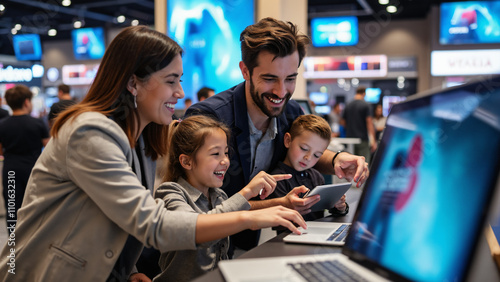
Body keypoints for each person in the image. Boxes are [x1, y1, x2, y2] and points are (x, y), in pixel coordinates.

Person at [0, 26, 306, 282]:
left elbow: (117, 216)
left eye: (180, 81)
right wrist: (250, 218)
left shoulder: (145, 138)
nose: (180, 93)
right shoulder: (88, 132)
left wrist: (127, 270)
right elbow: (153, 225)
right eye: (171, 81)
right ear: (134, 83)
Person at [185, 17, 369, 251]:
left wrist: (335, 160)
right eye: (270, 79)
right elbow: (198, 209)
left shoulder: (291, 112)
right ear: (245, 71)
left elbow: (300, 150)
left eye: (290, 79)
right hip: (204, 251)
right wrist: (279, 204)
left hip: (250, 247)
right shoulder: (208, 118)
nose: (281, 92)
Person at [154, 115, 292, 282]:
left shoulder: (219, 195)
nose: (226, 161)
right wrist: (246, 192)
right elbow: (197, 232)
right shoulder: (169, 193)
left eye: (226, 152)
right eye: (215, 154)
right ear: (187, 161)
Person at [269, 114, 348, 221]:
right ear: (288, 140)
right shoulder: (277, 179)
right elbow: (278, 219)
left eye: (317, 155)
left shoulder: (316, 176)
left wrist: (339, 206)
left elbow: (329, 210)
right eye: (304, 148)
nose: (308, 157)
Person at [0, 85, 49, 226]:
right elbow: (49, 147)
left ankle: (13, 245)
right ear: (27, 102)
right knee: (33, 209)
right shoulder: (37, 123)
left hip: (10, 171)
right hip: (33, 171)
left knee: (12, 210)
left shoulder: (2, 125)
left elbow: (1, 151)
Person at [341, 87, 377, 163]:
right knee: (363, 164)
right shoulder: (366, 105)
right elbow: (369, 123)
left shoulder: (348, 105)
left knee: (351, 165)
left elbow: (342, 122)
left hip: (350, 139)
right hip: (362, 140)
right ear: (364, 94)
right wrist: (373, 140)